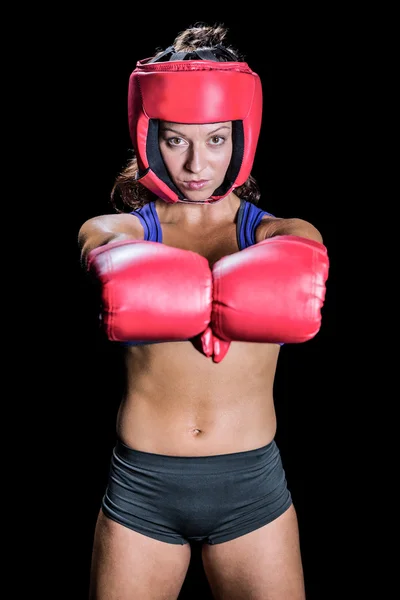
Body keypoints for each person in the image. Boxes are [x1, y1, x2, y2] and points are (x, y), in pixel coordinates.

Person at [78, 23, 329, 600]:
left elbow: (307, 251)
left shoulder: (279, 235)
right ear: (149, 136)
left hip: (252, 490)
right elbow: (97, 243)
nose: (196, 164)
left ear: (241, 139)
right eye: (176, 139)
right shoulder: (118, 231)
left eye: (216, 140)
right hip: (143, 489)